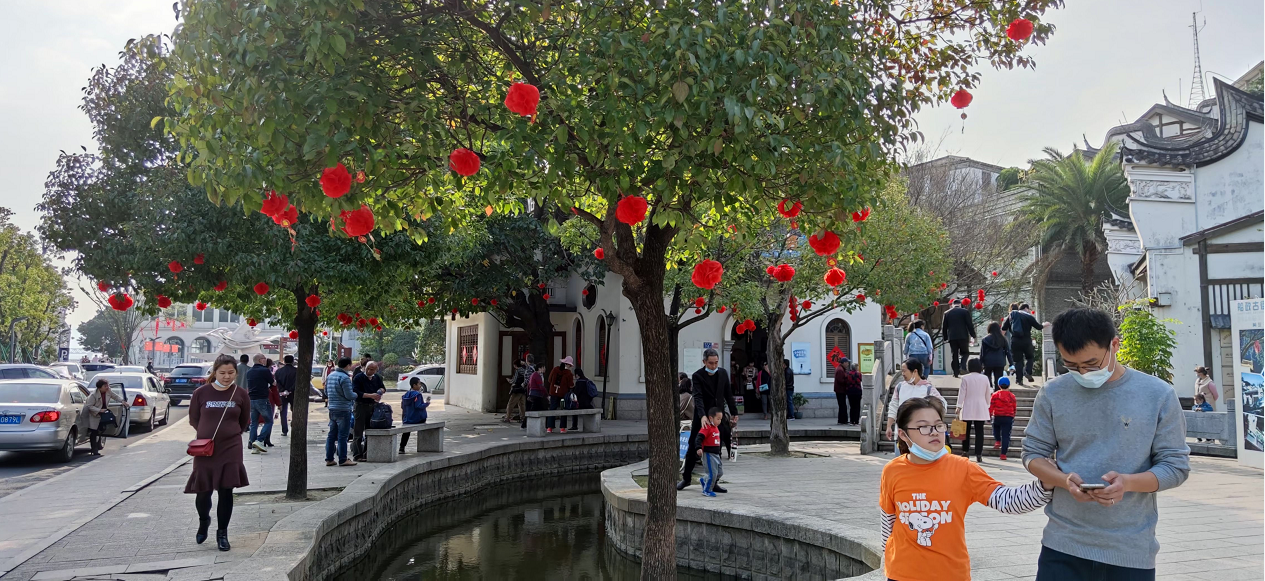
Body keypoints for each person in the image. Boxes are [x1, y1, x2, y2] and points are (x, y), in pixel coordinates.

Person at [1023, 308, 1190, 580]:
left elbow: (1175, 467)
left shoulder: (1157, 394)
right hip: (1062, 544)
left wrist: (1128, 482)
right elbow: (1032, 454)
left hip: (1130, 549)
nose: (1082, 373)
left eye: (1091, 364)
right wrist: (1064, 480)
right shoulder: (1053, 393)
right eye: (1071, 365)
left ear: (1114, 344)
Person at [880, 397, 1052, 581]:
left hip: (950, 574)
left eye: (938, 425)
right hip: (901, 573)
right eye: (923, 427)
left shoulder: (962, 468)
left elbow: (1006, 501)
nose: (934, 432)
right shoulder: (892, 470)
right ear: (904, 435)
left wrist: (1043, 486)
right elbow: (888, 522)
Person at [185, 354, 251, 552]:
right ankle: (204, 520)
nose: (227, 377)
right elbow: (194, 419)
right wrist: (207, 435)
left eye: (231, 373)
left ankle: (222, 533)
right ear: (215, 372)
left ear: (236, 373)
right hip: (206, 448)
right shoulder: (201, 393)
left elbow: (244, 421)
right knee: (203, 492)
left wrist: (229, 434)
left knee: (226, 490)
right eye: (222, 373)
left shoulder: (240, 394)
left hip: (231, 447)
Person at [679, 349, 739, 490]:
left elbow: (728, 395)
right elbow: (698, 397)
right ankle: (686, 478)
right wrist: (702, 416)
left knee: (716, 449)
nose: (713, 366)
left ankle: (714, 481)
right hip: (702, 417)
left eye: (716, 363)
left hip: (718, 417)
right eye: (710, 363)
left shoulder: (723, 373)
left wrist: (734, 412)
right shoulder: (698, 376)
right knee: (693, 446)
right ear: (704, 362)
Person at [885, 358, 947, 441]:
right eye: (901, 371)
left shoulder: (927, 388)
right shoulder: (900, 387)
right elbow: (893, 407)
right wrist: (889, 426)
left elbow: (943, 405)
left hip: (922, 434)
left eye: (904, 371)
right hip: (902, 433)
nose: (902, 374)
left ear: (915, 371)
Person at [323, 357, 357, 466]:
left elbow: (326, 392)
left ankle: (329, 459)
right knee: (343, 436)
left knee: (331, 435)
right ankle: (343, 459)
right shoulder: (345, 378)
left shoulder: (330, 376)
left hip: (332, 408)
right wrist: (357, 395)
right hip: (343, 409)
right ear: (347, 365)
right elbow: (349, 395)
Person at [1002, 303, 1046, 385]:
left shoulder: (1012, 315)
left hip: (1015, 341)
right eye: (1029, 309)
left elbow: (1004, 328)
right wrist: (1045, 325)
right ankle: (1027, 372)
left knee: (1018, 361)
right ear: (1026, 308)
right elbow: (1039, 327)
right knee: (1030, 357)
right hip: (1026, 341)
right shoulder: (1029, 317)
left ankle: (1019, 380)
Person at [956, 358, 991, 462]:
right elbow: (987, 393)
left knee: (965, 431)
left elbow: (962, 393)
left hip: (968, 406)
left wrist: (958, 406)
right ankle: (979, 454)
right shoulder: (985, 378)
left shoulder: (965, 378)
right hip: (981, 406)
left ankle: (965, 451)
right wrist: (987, 405)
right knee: (979, 432)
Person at [83, 378, 129, 455]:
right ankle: (94, 450)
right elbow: (89, 406)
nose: (107, 387)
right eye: (105, 386)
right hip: (94, 414)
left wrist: (122, 401)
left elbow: (115, 396)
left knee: (103, 428)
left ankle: (98, 444)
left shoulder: (108, 391)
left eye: (107, 385)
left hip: (103, 413)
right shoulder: (93, 395)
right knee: (94, 432)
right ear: (100, 387)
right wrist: (99, 410)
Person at [351, 361, 385, 461]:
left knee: (370, 430)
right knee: (358, 431)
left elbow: (383, 387)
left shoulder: (377, 377)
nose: (369, 371)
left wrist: (380, 392)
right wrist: (370, 395)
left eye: (372, 369)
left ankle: (367, 452)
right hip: (361, 406)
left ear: (376, 370)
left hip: (373, 406)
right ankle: (357, 454)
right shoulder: (358, 377)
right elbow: (356, 392)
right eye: (368, 369)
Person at [244, 354, 274, 454]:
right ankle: (259, 440)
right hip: (262, 399)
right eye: (264, 358)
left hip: (251, 399)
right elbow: (273, 383)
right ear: (260, 360)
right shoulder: (265, 370)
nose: (265, 360)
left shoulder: (249, 372)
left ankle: (253, 445)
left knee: (254, 423)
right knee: (269, 421)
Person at [940, 299, 976, 378]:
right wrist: (973, 334)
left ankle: (955, 372)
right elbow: (969, 324)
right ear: (960, 304)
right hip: (963, 336)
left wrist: (945, 337)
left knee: (954, 354)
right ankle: (962, 366)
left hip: (952, 337)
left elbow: (944, 327)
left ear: (952, 305)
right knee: (965, 353)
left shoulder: (947, 313)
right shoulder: (965, 312)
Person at [696, 408, 727, 498]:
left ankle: (704, 480)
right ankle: (707, 490)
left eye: (721, 419)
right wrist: (698, 448)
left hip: (716, 454)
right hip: (709, 454)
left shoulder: (716, 428)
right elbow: (699, 438)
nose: (719, 421)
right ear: (711, 418)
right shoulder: (707, 427)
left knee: (719, 472)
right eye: (718, 419)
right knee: (712, 473)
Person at [398, 377, 432, 454]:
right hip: (417, 419)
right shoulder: (417, 395)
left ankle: (401, 447)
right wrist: (427, 403)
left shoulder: (406, 394)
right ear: (414, 385)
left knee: (406, 432)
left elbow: (402, 406)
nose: (420, 385)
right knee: (424, 420)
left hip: (407, 419)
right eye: (419, 383)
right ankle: (426, 445)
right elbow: (419, 406)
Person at [989, 376, 1017, 460]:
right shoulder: (1012, 396)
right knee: (1006, 435)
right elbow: (1014, 407)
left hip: (997, 416)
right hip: (1008, 417)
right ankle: (1003, 454)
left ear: (999, 385)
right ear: (1009, 385)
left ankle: (997, 440)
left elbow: (991, 406)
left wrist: (989, 415)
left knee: (995, 429)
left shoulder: (995, 395)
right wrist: (1013, 415)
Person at [979, 322, 1012, 390]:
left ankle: (989, 392)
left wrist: (980, 364)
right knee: (998, 379)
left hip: (988, 362)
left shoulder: (985, 340)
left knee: (987, 378)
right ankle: (997, 393)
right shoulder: (1003, 339)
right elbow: (1008, 352)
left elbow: (982, 353)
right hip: (1000, 362)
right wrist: (1011, 364)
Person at [546, 356, 576, 433]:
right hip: (563, 394)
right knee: (563, 409)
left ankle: (550, 427)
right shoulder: (568, 373)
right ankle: (562, 428)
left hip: (553, 392)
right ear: (568, 365)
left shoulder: (555, 369)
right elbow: (571, 385)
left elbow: (549, 379)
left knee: (552, 409)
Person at [274, 355, 298, 437]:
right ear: (293, 361)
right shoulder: (296, 371)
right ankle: (294, 425)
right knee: (295, 411)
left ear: (284, 361)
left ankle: (284, 430)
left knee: (283, 412)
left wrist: (283, 390)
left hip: (282, 394)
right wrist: (289, 390)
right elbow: (296, 383)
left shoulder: (278, 371)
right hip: (293, 393)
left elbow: (277, 383)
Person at [832, 358, 860, 425]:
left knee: (843, 405)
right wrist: (848, 381)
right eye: (847, 363)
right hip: (840, 390)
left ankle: (844, 420)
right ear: (843, 363)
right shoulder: (840, 370)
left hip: (842, 390)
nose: (847, 364)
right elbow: (841, 380)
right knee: (842, 405)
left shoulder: (842, 369)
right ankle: (842, 420)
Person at [522, 355, 546, 430]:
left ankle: (525, 424)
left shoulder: (529, 370)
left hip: (532, 391)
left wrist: (523, 384)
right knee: (538, 408)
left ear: (527, 360)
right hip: (538, 392)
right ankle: (543, 425)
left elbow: (528, 381)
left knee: (530, 408)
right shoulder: (536, 368)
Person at [504, 358, 529, 423]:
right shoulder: (525, 370)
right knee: (522, 405)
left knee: (511, 403)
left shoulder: (517, 371)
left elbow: (514, 381)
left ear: (515, 365)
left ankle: (507, 417)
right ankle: (523, 418)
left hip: (517, 389)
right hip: (523, 389)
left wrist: (509, 380)